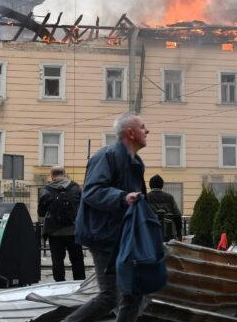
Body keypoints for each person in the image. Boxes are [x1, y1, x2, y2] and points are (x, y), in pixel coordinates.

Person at [63, 111, 148, 322]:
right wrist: (122, 197)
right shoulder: (107, 156)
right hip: (103, 236)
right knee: (110, 296)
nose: (147, 131)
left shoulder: (136, 163)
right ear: (130, 132)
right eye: (143, 127)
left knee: (134, 292)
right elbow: (92, 192)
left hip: (122, 237)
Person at [38, 165, 86, 282]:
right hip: (73, 231)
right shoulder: (75, 188)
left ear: (51, 175)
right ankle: (79, 283)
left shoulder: (45, 190)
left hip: (54, 233)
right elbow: (83, 208)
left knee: (57, 260)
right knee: (77, 259)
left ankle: (59, 284)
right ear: (65, 174)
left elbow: (41, 212)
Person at [145, 174, 183, 242]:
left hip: (151, 232)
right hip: (169, 233)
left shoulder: (146, 198)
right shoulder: (169, 197)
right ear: (162, 185)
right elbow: (177, 215)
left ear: (150, 185)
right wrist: (179, 234)